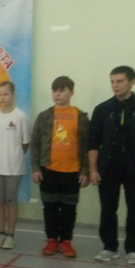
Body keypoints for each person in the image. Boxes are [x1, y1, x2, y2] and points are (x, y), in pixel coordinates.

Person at [88, 66, 135, 265]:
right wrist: (93, 169)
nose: (115, 85)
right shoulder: (102, 109)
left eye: (119, 81)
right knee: (108, 208)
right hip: (108, 167)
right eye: (112, 81)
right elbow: (93, 143)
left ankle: (133, 249)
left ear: (132, 82)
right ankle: (109, 247)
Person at [31, 76, 90, 258]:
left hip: (72, 172)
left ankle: (66, 241)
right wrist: (35, 168)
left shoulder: (81, 117)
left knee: (68, 209)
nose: (57, 94)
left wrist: (85, 171)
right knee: (49, 208)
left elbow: (87, 146)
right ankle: (51, 240)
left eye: (62, 90)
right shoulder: (44, 116)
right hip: (48, 170)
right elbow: (35, 144)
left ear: (71, 92)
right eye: (54, 90)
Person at [0, 82, 31, 250]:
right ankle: (0, 233)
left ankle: (10, 235)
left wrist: (15, 155)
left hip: (14, 166)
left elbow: (25, 143)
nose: (2, 98)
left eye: (5, 94)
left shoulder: (21, 117)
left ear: (13, 95)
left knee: (11, 200)